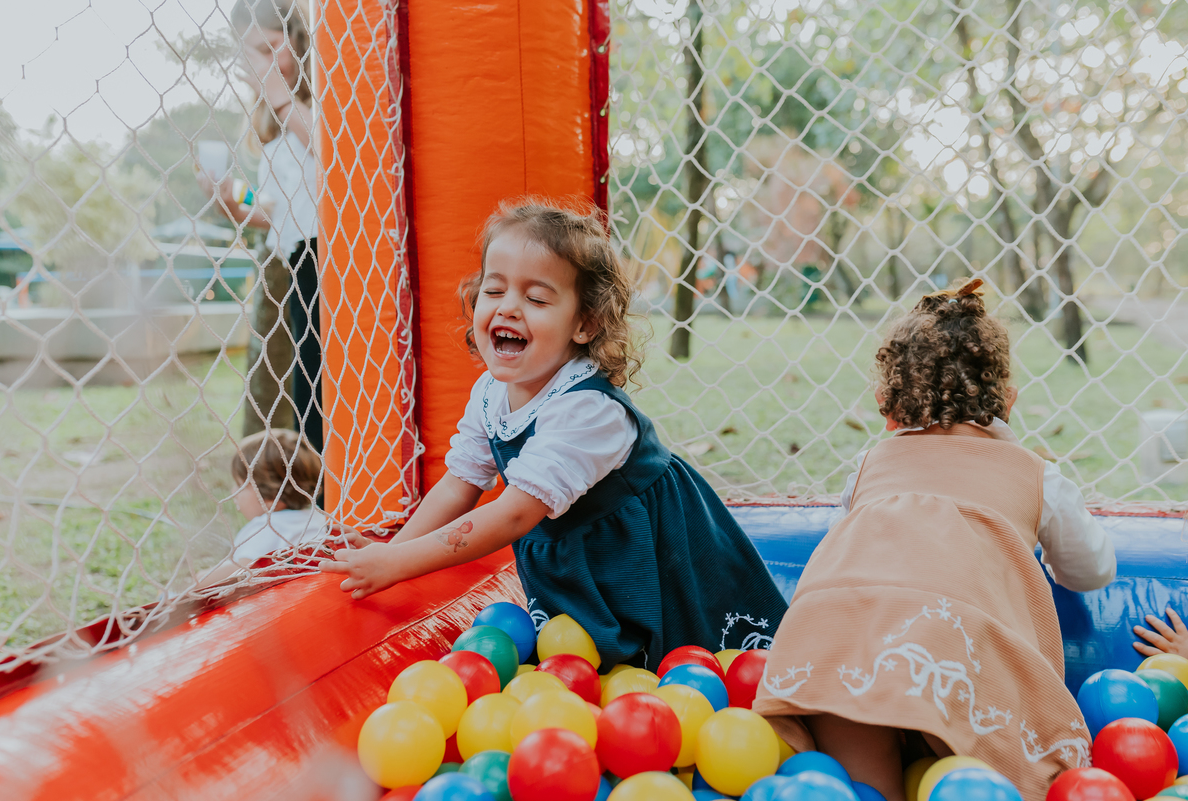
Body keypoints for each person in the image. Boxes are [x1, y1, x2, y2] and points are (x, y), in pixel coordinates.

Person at [319, 200, 787, 669]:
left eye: (536, 298)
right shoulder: (490, 393)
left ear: (584, 324)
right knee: (583, 665)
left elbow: (513, 515)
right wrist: (391, 551)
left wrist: (397, 565)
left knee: (699, 659)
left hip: (655, 555)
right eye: (493, 289)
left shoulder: (586, 410)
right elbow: (459, 483)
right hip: (582, 555)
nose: (508, 307)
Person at [753, 279, 1116, 801]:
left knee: (862, 784)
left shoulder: (869, 464)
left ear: (887, 408)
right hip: (955, 642)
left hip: (835, 632)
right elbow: (1093, 570)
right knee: (981, 776)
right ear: (1008, 402)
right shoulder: (1037, 476)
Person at [197, 0, 323, 452]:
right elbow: (274, 207)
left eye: (273, 48)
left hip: (328, 257)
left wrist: (281, 98)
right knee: (305, 383)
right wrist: (232, 201)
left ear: (299, 42)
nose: (267, 64)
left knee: (323, 384)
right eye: (255, 54)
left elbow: (339, 158)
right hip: (294, 260)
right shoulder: (275, 118)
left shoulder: (315, 102)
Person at [197, 429, 329, 587]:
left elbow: (244, 570)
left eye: (241, 485)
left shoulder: (265, 528)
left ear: (270, 496)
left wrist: (201, 578)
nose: (233, 492)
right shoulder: (318, 518)